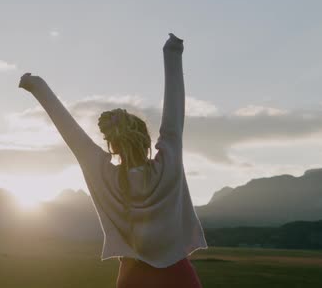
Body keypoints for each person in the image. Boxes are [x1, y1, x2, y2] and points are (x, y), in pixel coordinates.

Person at [18, 33, 207, 287]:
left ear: (114, 144)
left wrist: (36, 86)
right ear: (145, 139)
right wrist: (172, 52)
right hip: (178, 276)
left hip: (133, 278)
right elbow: (174, 115)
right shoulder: (169, 164)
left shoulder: (104, 176)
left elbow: (72, 134)